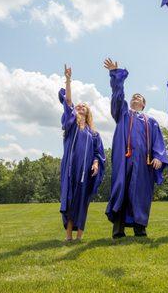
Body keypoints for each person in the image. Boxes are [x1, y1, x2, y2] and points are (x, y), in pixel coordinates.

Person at [104, 58, 168, 238]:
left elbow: (158, 142)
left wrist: (158, 157)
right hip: (123, 161)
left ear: (143, 104)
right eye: (133, 96)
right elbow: (117, 96)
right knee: (121, 191)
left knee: (140, 194)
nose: (135, 98)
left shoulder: (151, 121)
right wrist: (116, 74)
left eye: (138, 97)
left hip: (143, 163)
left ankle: (140, 229)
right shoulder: (122, 114)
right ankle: (118, 230)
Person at [59, 65, 105, 241]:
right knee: (70, 200)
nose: (80, 107)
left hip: (85, 171)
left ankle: (79, 236)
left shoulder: (94, 134)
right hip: (71, 167)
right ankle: (69, 235)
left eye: (84, 106)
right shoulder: (71, 126)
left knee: (82, 201)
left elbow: (98, 153)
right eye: (79, 106)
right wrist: (68, 81)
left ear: (88, 112)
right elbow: (68, 102)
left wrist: (95, 163)